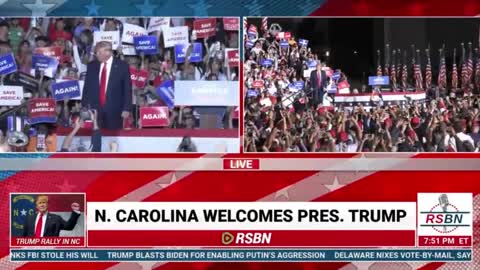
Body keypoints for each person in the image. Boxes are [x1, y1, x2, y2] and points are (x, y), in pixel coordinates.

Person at [82, 41, 132, 129]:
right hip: (95, 110)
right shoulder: (91, 66)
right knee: (96, 137)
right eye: (96, 52)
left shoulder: (122, 66)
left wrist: (126, 108)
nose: (96, 54)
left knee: (112, 140)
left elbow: (127, 89)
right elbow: (87, 88)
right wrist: (85, 106)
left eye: (99, 52)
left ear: (108, 52)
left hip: (115, 110)